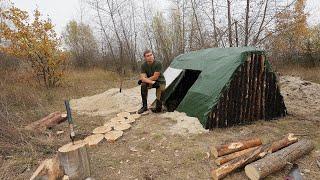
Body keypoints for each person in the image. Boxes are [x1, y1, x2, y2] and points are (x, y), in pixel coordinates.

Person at [137, 50, 166, 114]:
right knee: (143, 85)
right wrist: (149, 82)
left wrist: (144, 79)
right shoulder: (143, 65)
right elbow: (143, 77)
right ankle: (144, 107)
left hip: (160, 81)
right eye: (148, 56)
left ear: (153, 55)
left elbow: (155, 77)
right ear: (145, 58)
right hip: (151, 82)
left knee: (161, 90)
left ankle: (159, 107)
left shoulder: (158, 63)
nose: (150, 57)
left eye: (151, 55)